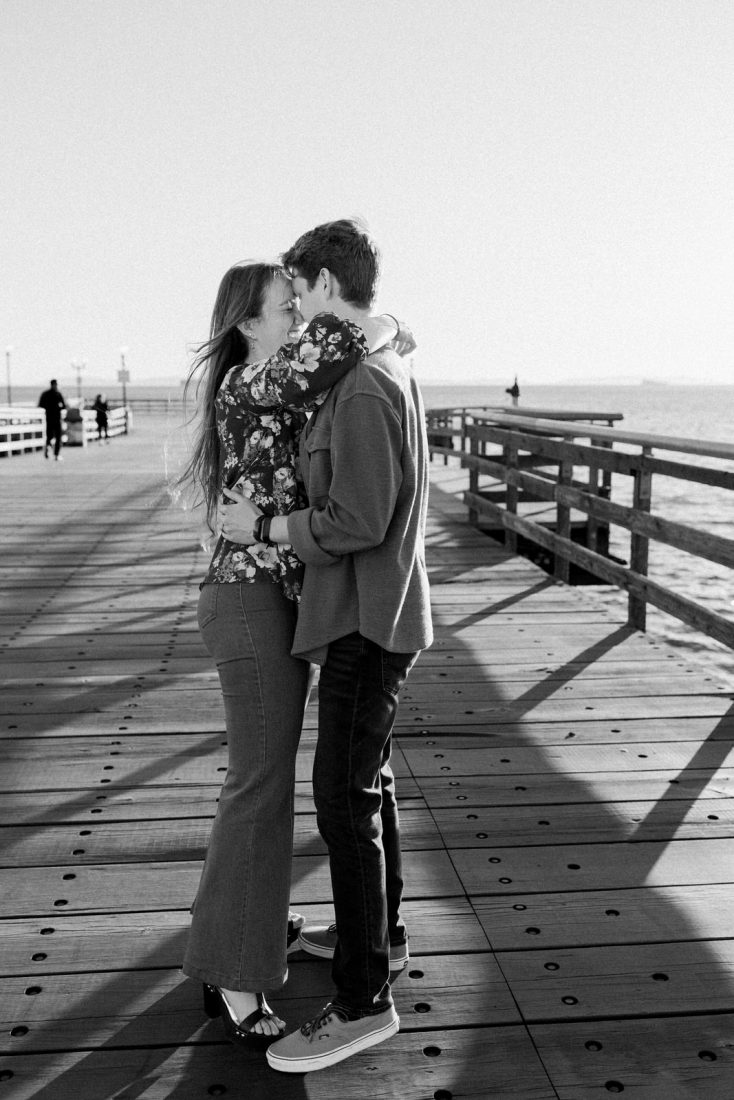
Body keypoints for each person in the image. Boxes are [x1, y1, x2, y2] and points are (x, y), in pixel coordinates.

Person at [219, 219, 433, 1073]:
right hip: (363, 613)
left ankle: (363, 1000)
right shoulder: (364, 372)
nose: (301, 313)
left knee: (341, 800)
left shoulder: (365, 387)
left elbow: (359, 519)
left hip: (365, 620)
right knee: (366, 786)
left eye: (299, 292)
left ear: (319, 282)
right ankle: (380, 937)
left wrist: (269, 522)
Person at [178, 259, 401, 1047]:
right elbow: (336, 343)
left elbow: (331, 357)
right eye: (285, 311)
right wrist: (380, 326)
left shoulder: (275, 382)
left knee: (259, 780)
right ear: (248, 324)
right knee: (262, 782)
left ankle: (238, 929)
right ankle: (235, 976)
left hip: (269, 596)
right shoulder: (251, 380)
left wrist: (385, 333)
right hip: (247, 599)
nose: (298, 326)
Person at [38, 379, 66, 460]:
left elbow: (41, 405)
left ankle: (49, 447)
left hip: (49, 418)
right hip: (56, 418)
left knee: (50, 435)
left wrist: (48, 408)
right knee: (57, 436)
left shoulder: (45, 394)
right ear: (55, 385)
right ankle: (56, 454)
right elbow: (63, 406)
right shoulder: (58, 394)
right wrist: (58, 407)